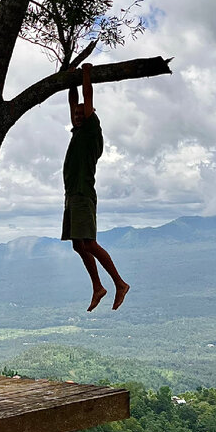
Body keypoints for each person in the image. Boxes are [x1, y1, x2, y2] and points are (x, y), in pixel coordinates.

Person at [61, 63, 130, 312]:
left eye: (82, 114)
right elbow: (73, 102)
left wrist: (86, 73)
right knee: (78, 244)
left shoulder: (91, 131)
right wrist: (70, 79)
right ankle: (98, 287)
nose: (77, 116)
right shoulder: (78, 131)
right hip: (72, 196)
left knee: (88, 243)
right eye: (76, 115)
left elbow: (86, 97)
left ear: (90, 115)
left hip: (82, 195)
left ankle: (120, 283)